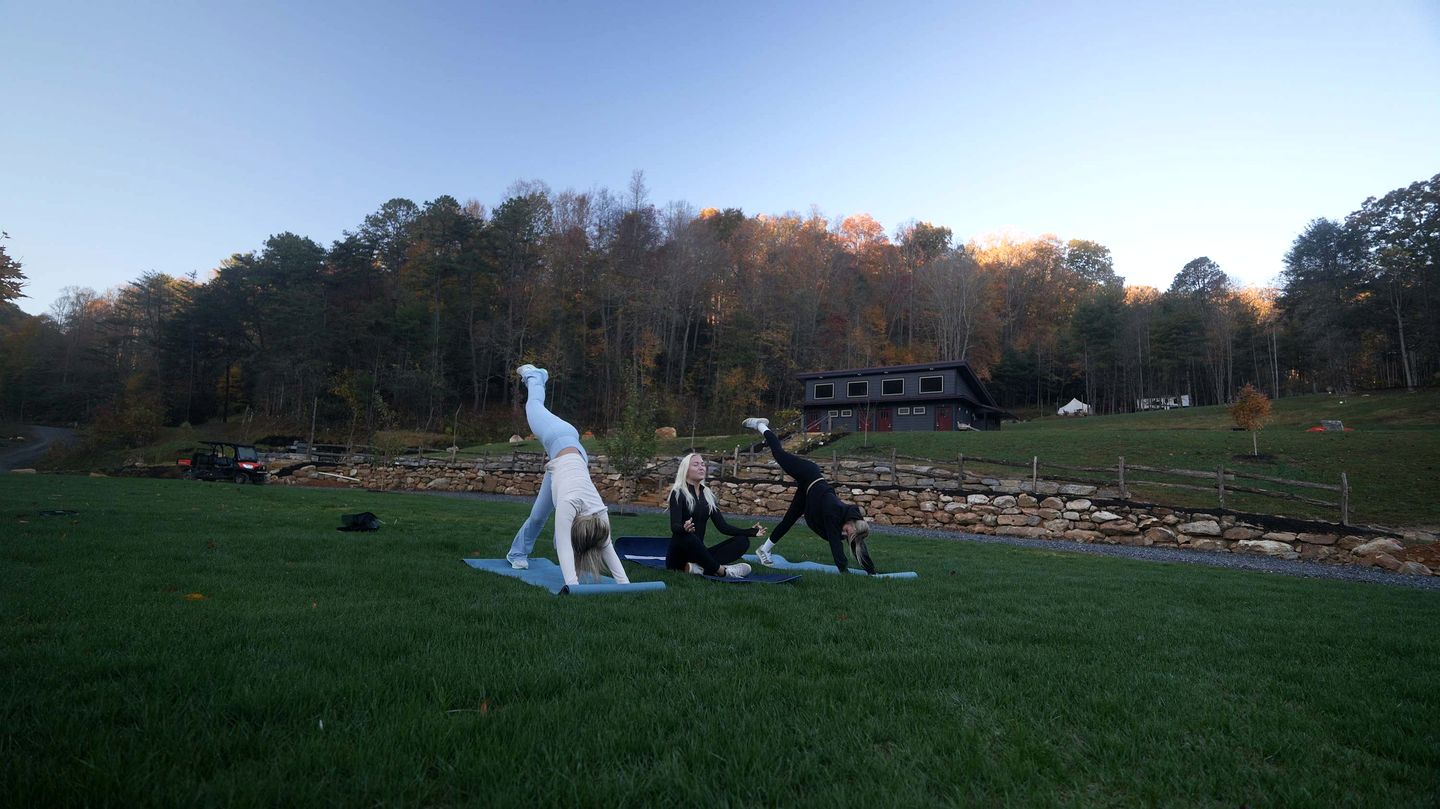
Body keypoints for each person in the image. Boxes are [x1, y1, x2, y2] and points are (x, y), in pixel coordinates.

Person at [505, 364, 630, 587]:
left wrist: (625, 584)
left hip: (568, 463)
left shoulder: (595, 514)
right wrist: (572, 585)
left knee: (538, 515)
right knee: (533, 405)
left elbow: (606, 549)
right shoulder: (580, 508)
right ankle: (535, 376)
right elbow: (565, 546)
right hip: (558, 436)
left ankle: (517, 554)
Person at [741, 417, 875, 574]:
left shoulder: (852, 523)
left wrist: (871, 571)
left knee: (789, 520)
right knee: (778, 453)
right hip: (808, 473)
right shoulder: (835, 512)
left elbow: (857, 542)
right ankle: (761, 425)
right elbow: (835, 543)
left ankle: (764, 550)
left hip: (809, 490)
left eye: (846, 535)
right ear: (851, 523)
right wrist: (843, 570)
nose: (843, 534)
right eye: (846, 531)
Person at [667, 452, 764, 578]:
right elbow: (674, 526)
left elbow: (722, 526)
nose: (701, 467)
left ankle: (700, 568)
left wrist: (751, 532)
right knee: (688, 536)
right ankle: (723, 572)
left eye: (702, 464)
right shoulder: (678, 492)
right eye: (696, 465)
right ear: (686, 470)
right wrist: (683, 528)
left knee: (742, 541)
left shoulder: (708, 495)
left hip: (699, 555)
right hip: (678, 557)